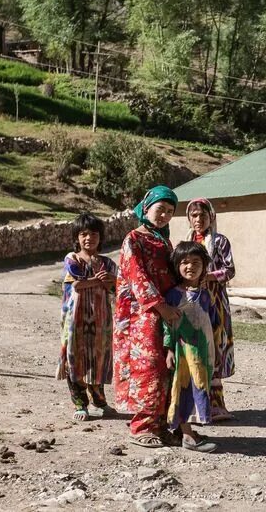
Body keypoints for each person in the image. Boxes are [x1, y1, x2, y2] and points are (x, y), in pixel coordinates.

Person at [113, 186, 182, 448]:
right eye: (160, 209)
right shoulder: (134, 238)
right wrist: (160, 307)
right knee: (148, 367)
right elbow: (137, 276)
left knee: (167, 367)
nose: (164, 214)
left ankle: (162, 425)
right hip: (140, 315)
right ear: (146, 207)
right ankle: (141, 426)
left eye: (169, 211)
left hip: (166, 310)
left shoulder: (163, 240)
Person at [56, 213, 117, 422]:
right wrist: (99, 281)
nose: (88, 238)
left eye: (93, 234)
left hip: (101, 320)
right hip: (75, 319)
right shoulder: (72, 258)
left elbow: (115, 286)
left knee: (98, 359)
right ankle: (80, 403)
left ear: (100, 237)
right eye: (83, 234)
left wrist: (110, 281)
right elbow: (77, 283)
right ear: (77, 237)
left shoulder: (108, 263)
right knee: (75, 358)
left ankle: (99, 401)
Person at [164, 241, 218, 453]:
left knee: (199, 388)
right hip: (183, 351)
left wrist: (216, 351)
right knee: (183, 388)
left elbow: (211, 323)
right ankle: (187, 435)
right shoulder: (174, 295)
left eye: (196, 262)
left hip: (203, 352)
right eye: (185, 262)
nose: (190, 267)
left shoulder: (205, 295)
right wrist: (168, 350)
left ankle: (190, 430)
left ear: (204, 266)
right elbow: (167, 325)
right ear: (177, 266)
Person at [185, 198, 236, 421]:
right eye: (194, 216)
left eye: (202, 216)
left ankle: (216, 405)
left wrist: (207, 276)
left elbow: (230, 270)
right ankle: (197, 406)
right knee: (195, 349)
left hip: (215, 302)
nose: (198, 220)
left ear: (211, 217)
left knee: (215, 347)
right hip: (193, 302)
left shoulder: (220, 242)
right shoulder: (185, 242)